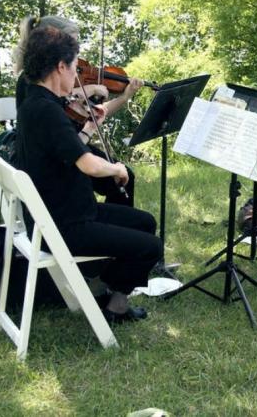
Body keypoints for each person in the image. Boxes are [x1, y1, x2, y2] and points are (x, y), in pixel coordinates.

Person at [14, 26, 163, 323]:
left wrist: (88, 129)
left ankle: (102, 287)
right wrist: (117, 169)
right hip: (65, 226)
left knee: (146, 223)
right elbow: (88, 165)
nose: (77, 76)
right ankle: (114, 308)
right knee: (152, 247)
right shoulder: (47, 110)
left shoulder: (36, 100)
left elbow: (64, 151)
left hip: (62, 212)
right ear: (60, 66)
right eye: (73, 67)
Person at [12, 15, 143, 206]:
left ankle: (114, 224)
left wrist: (124, 96)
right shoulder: (31, 82)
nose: (75, 56)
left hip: (74, 144)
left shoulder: (66, 80)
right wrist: (88, 90)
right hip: (55, 157)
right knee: (115, 178)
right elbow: (50, 106)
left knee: (124, 177)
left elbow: (97, 113)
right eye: (69, 45)